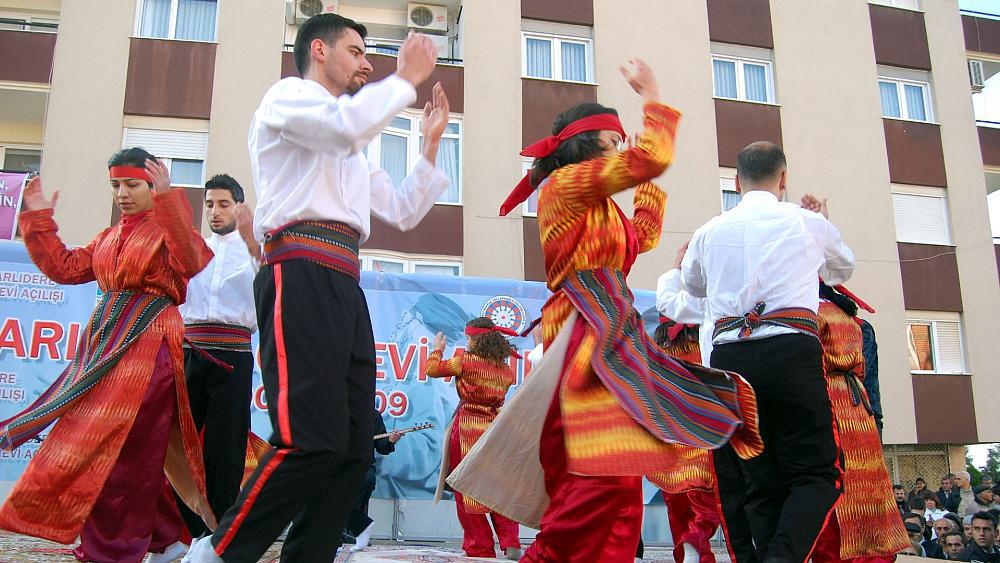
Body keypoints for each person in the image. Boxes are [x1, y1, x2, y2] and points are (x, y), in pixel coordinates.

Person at [448, 59, 762, 562]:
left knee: (617, 482)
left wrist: (647, 189)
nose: (621, 150)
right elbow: (650, 158)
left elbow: (642, 236)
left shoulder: (595, 202)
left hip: (606, 327)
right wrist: (653, 98)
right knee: (598, 478)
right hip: (585, 328)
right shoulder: (567, 185)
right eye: (614, 142)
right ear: (589, 144)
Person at [184, 12, 452, 563]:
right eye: (356, 51)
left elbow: (402, 211)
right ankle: (217, 552)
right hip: (298, 272)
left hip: (344, 282)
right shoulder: (286, 98)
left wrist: (428, 148)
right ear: (320, 51)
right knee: (308, 438)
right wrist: (403, 80)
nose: (366, 62)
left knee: (355, 447)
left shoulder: (352, 145)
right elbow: (345, 125)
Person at [0, 150, 214, 563]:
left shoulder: (169, 228)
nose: (122, 194)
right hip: (106, 351)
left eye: (132, 185)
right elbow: (64, 267)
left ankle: (112, 551)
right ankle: (167, 539)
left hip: (150, 350)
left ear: (155, 187)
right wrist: (39, 219)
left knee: (123, 451)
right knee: (113, 448)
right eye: (116, 185)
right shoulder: (109, 237)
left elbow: (189, 259)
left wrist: (171, 201)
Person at [681, 141, 855, 562]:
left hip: (729, 359)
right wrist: (820, 225)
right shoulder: (806, 222)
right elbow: (842, 268)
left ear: (736, 182)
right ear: (783, 179)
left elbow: (692, 288)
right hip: (790, 351)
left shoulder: (709, 230)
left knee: (757, 476)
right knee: (816, 473)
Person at [176, 174, 260, 543]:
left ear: (239, 208)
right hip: (190, 351)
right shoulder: (192, 249)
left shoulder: (257, 254)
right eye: (209, 204)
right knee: (178, 444)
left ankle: (218, 536)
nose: (214, 211)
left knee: (224, 451)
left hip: (234, 355)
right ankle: (185, 531)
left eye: (223, 204)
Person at [426, 317, 522, 560]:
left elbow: (432, 370)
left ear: (475, 339)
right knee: (498, 487)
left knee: (466, 486)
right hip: (495, 431)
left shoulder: (465, 361)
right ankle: (510, 539)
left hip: (468, 428)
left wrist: (437, 350)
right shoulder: (505, 369)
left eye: (468, 338)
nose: (467, 342)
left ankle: (480, 547)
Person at [338, 409, 403, 553]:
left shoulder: (372, 415)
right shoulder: (332, 411)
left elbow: (382, 447)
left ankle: (356, 528)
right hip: (335, 465)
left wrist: (390, 440)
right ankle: (360, 526)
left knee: (367, 480)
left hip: (362, 466)